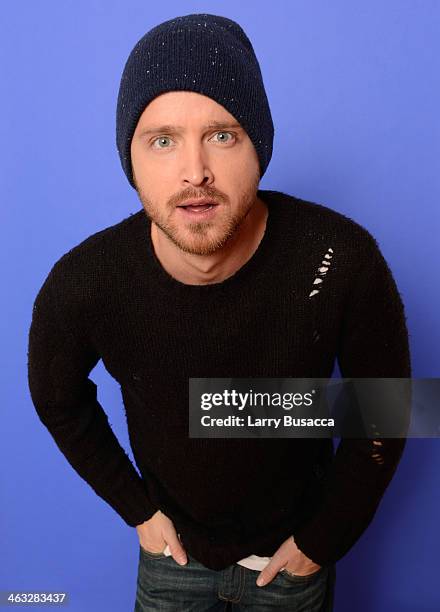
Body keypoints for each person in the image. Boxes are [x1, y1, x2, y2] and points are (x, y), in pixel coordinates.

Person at [27, 12, 411, 612]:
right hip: (171, 559)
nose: (194, 171)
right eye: (162, 140)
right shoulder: (86, 282)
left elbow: (387, 412)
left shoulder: (340, 258)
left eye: (223, 134)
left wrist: (321, 539)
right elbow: (55, 398)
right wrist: (138, 510)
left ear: (259, 143)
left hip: (291, 564)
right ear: (130, 156)